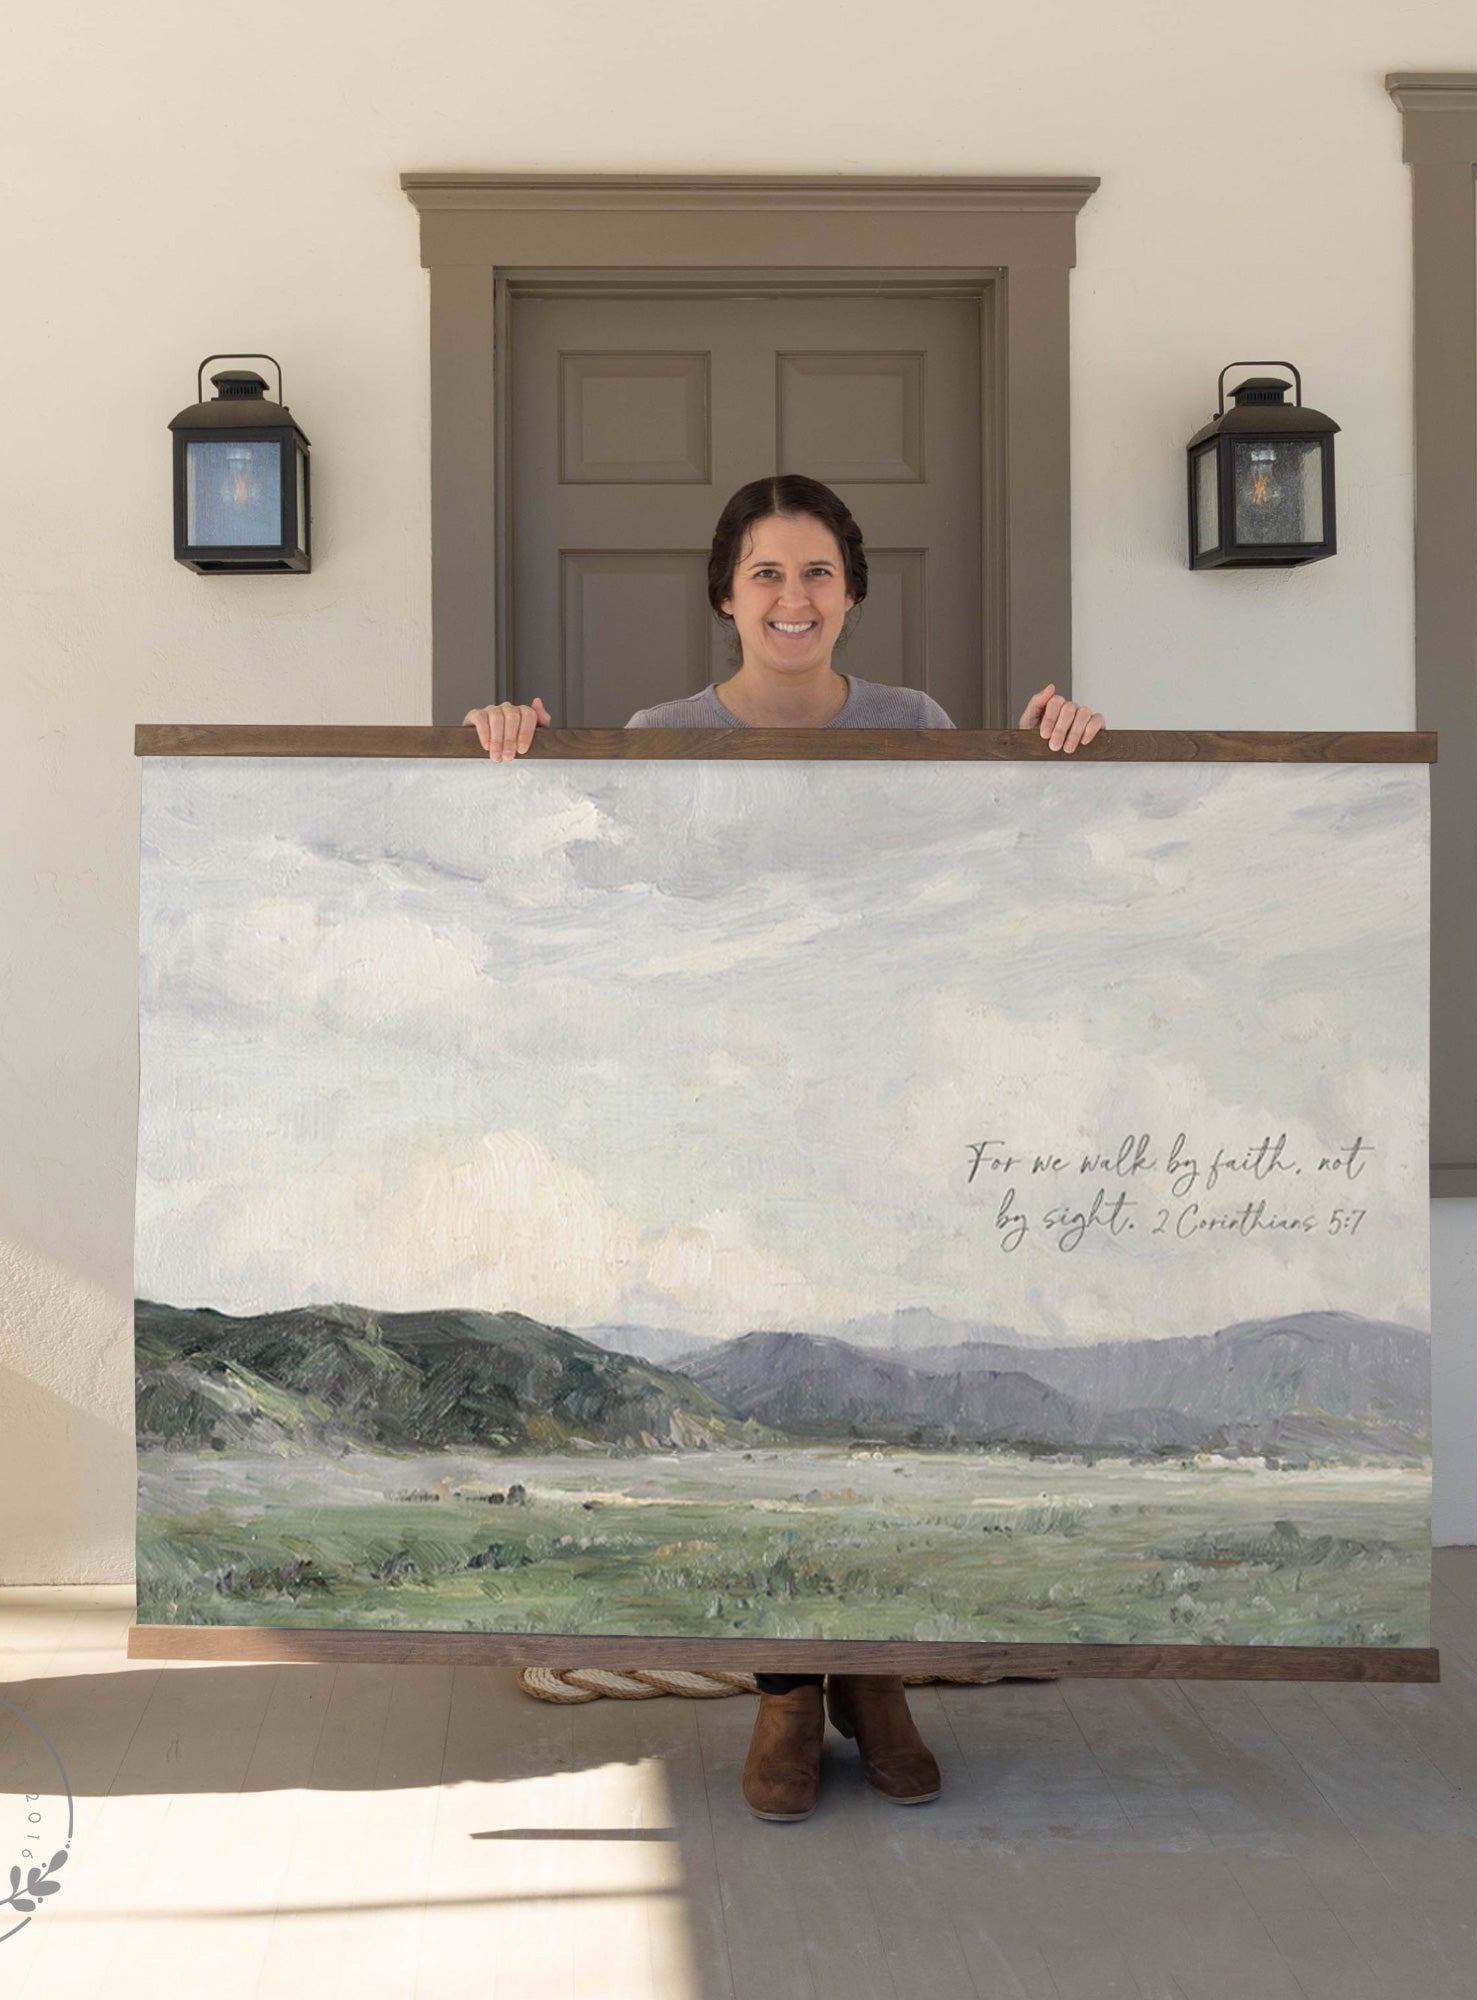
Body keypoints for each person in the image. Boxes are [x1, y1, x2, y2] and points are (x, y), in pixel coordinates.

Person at [467, 473, 1104, 1823]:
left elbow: (1004, 872)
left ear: (854, 591)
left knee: (874, 1392)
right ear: (724, 594)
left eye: (816, 571)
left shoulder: (919, 728)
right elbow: (598, 892)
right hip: (728, 1111)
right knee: (764, 1404)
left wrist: (1056, 755)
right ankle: (784, 1691)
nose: (793, 598)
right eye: (766, 573)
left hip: (883, 1108)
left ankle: (876, 1676)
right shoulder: (657, 737)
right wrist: (518, 754)